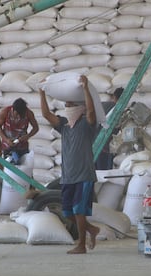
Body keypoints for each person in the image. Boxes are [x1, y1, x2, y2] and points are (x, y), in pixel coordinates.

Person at [39, 75, 100, 254]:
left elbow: (91, 112)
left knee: (79, 211)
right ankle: (91, 229)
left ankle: (81, 245)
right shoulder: (64, 125)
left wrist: (85, 87)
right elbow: (46, 114)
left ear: (79, 108)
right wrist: (41, 93)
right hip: (67, 176)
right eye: (66, 105)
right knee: (67, 212)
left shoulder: (87, 125)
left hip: (84, 175)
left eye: (71, 105)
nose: (67, 108)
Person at [0, 98, 39, 165]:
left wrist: (27, 136)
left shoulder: (29, 113)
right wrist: (6, 140)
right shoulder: (5, 112)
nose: (19, 117)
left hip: (22, 147)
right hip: (7, 146)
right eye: (17, 114)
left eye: (21, 115)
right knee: (8, 169)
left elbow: (36, 128)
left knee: (24, 169)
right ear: (13, 109)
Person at [95, 87, 124, 170]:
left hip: (94, 143)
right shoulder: (122, 111)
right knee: (104, 172)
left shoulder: (102, 105)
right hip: (106, 147)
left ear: (114, 96)